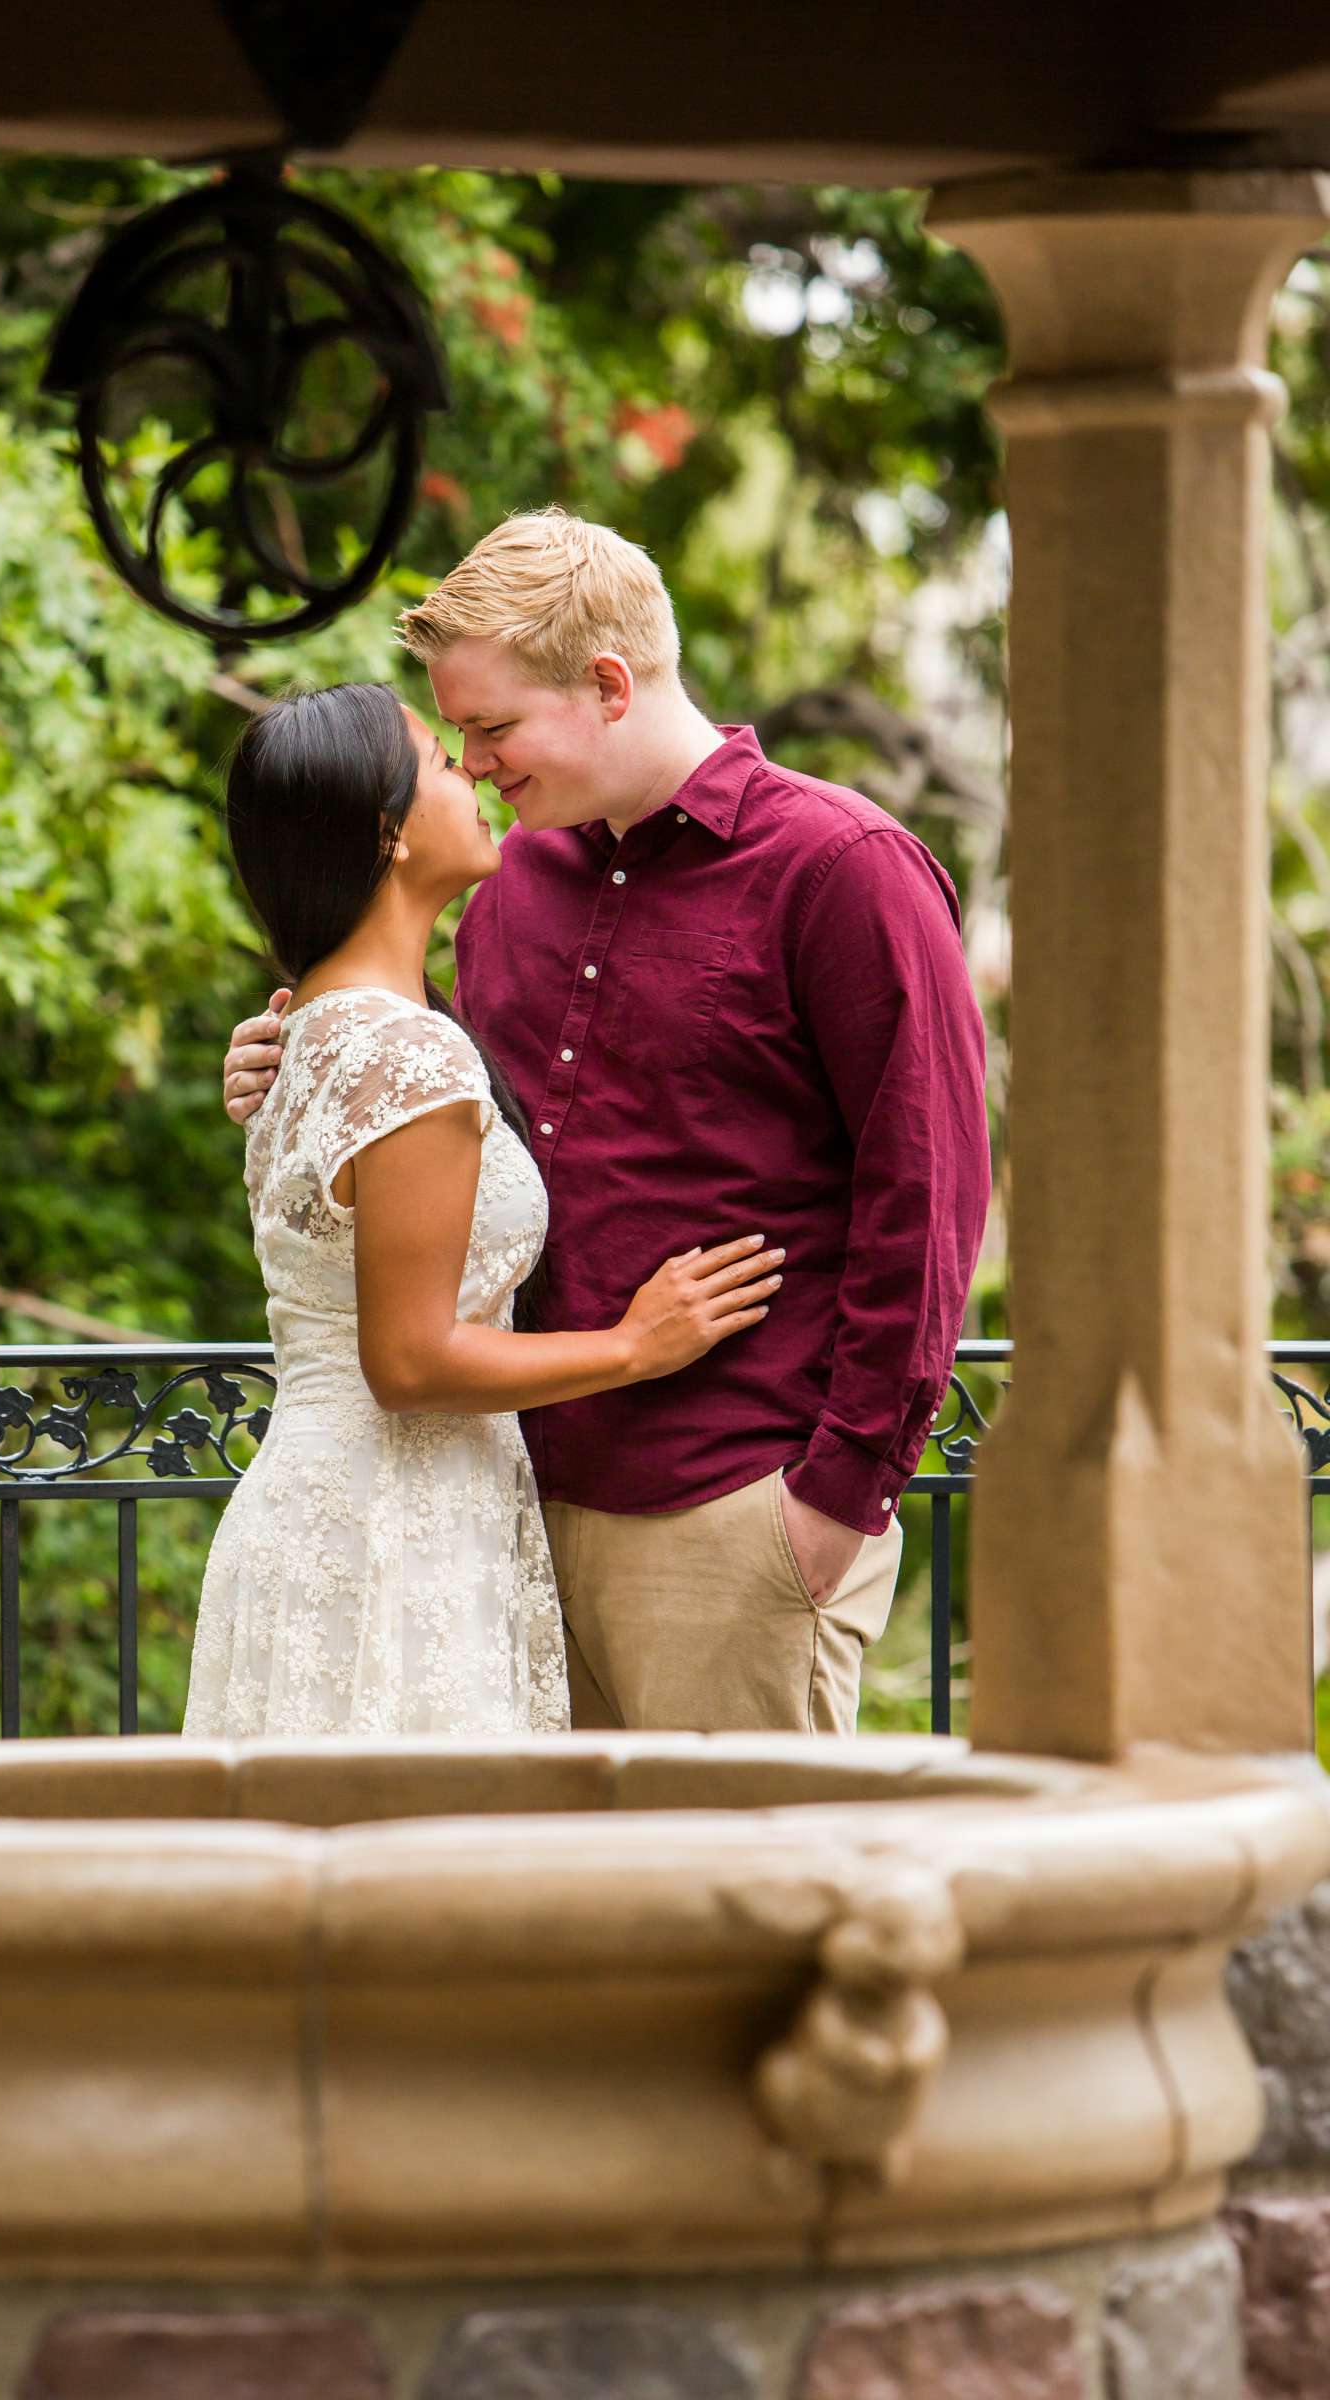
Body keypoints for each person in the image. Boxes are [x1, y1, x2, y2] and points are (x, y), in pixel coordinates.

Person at [222, 510, 991, 1736]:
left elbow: (930, 1198)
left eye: (490, 727)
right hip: (499, 1516)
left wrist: (834, 1503)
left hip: (729, 1512)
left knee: (732, 1910)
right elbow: (439, 1119)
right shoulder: (515, 882)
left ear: (609, 684)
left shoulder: (842, 868)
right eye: (456, 736)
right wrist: (291, 1052)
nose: (471, 764)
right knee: (546, 1919)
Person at [182, 681, 782, 1738]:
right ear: (390, 831)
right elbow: (408, 1364)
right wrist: (635, 1346)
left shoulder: (317, 1034)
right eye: (441, 762)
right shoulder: (402, 1053)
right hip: (390, 1531)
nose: (472, 772)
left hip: (334, 1516)